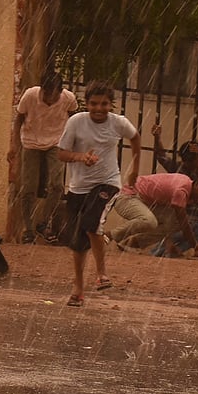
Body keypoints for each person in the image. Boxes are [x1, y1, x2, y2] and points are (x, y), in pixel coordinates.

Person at [56, 81, 141, 307]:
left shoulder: (119, 123)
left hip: (107, 183)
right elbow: (62, 154)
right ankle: (78, 288)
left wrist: (134, 169)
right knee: (77, 242)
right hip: (78, 187)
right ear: (87, 104)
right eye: (94, 104)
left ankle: (102, 273)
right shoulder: (76, 122)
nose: (99, 109)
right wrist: (81, 157)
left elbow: (135, 137)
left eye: (104, 104)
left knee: (92, 222)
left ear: (111, 104)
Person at [8, 71, 78, 243]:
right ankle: (29, 229)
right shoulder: (31, 95)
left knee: (56, 185)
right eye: (46, 94)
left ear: (60, 92)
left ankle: (44, 222)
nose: (49, 99)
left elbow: (73, 118)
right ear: (41, 90)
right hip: (31, 142)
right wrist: (14, 145)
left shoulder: (69, 99)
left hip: (55, 142)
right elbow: (18, 120)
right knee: (28, 187)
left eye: (53, 96)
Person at [107, 170, 198, 257]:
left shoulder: (187, 184)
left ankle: (132, 243)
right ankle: (110, 236)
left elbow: (175, 223)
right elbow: (184, 224)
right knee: (149, 221)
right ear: (197, 185)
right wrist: (196, 248)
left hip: (144, 201)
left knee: (173, 222)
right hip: (127, 197)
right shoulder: (181, 191)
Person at [149, 124, 198, 256]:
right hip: (177, 218)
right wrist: (157, 138)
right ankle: (162, 251)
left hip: (190, 221)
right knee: (181, 229)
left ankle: (169, 251)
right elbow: (161, 156)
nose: (188, 163)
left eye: (192, 159)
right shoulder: (179, 169)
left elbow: (161, 156)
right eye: (187, 160)